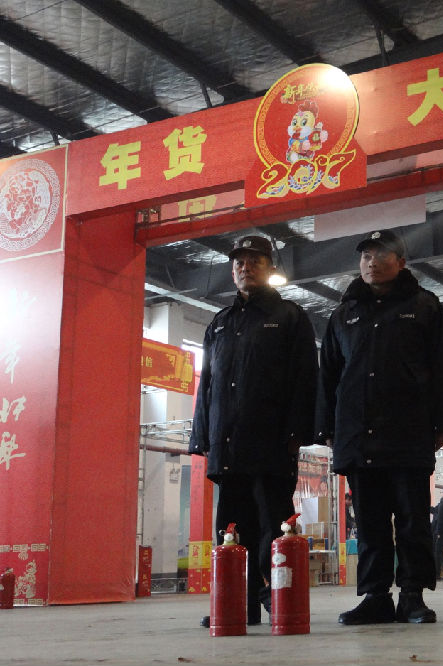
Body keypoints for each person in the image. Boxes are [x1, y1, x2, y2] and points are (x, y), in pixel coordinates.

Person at [316, 228, 443, 625]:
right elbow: (328, 375)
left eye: (382, 255)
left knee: (413, 520)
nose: (372, 262)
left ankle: (412, 596)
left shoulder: (425, 306)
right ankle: (375, 596)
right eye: (366, 256)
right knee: (370, 523)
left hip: (409, 432)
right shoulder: (343, 314)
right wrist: (326, 427)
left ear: (401, 262)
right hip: (357, 435)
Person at [189, 235, 318, 626]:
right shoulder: (220, 323)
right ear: (233, 271)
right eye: (239, 263)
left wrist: (298, 432)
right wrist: (202, 436)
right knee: (232, 527)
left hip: (272, 444)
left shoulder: (290, 317)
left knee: (272, 524)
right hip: (228, 446)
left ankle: (276, 597)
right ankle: (237, 604)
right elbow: (207, 385)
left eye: (255, 261)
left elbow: (305, 379)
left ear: (270, 268)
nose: (245, 268)